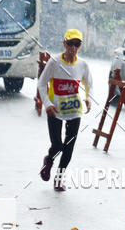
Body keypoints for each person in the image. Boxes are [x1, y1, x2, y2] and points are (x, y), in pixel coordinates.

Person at [38, 29, 92, 192]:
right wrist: (47, 104)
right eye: (70, 43)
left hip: (74, 111)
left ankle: (59, 178)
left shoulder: (83, 65)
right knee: (57, 144)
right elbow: (41, 83)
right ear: (64, 44)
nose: (73, 48)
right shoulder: (54, 62)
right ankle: (49, 160)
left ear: (80, 46)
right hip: (55, 110)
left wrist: (89, 98)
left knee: (69, 146)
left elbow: (89, 84)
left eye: (77, 44)